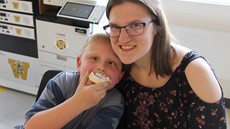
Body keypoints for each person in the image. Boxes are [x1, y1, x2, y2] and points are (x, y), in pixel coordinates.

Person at [103, 0, 227, 128]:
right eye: (115, 27)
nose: (123, 39)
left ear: (157, 26)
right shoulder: (114, 63)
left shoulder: (195, 72)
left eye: (135, 25)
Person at [24, 33, 125, 129]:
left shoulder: (114, 101)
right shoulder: (63, 82)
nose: (101, 68)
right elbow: (30, 126)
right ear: (79, 63)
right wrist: (78, 103)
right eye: (94, 58)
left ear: (119, 77)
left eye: (111, 63)